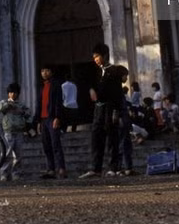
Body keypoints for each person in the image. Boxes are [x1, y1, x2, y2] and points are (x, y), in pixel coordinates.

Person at [79, 43, 128, 179]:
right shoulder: (96, 72)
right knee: (96, 138)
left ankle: (113, 167)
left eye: (98, 56)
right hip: (98, 109)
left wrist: (116, 111)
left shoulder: (114, 71)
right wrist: (91, 90)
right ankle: (96, 168)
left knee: (112, 138)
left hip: (110, 107)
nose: (96, 59)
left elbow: (118, 93)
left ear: (105, 55)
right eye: (94, 57)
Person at [37, 65, 67, 179]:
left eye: (47, 70)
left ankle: (61, 168)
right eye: (42, 70)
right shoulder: (41, 87)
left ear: (51, 72)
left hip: (52, 118)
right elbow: (39, 104)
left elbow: (58, 102)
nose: (44, 73)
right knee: (46, 145)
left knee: (56, 144)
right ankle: (50, 169)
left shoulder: (56, 85)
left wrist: (57, 117)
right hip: (43, 119)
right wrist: (38, 120)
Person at [0, 82, 30, 181]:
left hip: (19, 131)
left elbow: (28, 113)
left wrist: (21, 111)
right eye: (11, 92)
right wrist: (8, 105)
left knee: (18, 155)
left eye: (15, 92)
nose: (13, 95)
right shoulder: (4, 102)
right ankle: (4, 174)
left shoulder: (21, 104)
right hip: (8, 131)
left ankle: (16, 173)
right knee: (7, 153)